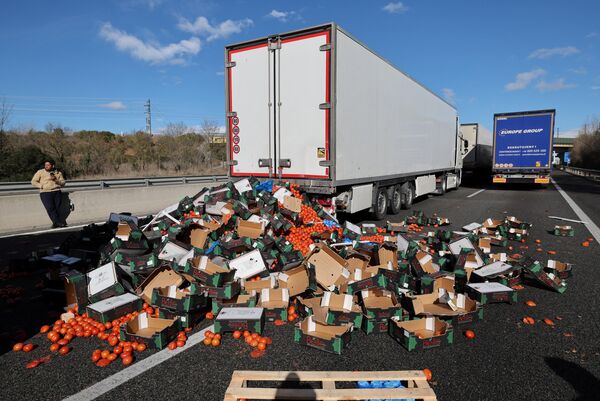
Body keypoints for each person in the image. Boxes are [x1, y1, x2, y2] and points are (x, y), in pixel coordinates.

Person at [31, 159, 67, 228]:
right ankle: (59, 223)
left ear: (53, 165)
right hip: (45, 193)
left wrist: (55, 180)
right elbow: (33, 181)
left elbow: (63, 183)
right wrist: (42, 186)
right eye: (45, 165)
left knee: (57, 208)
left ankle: (56, 223)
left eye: (48, 165)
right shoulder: (40, 172)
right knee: (50, 208)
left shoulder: (58, 172)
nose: (46, 166)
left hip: (57, 191)